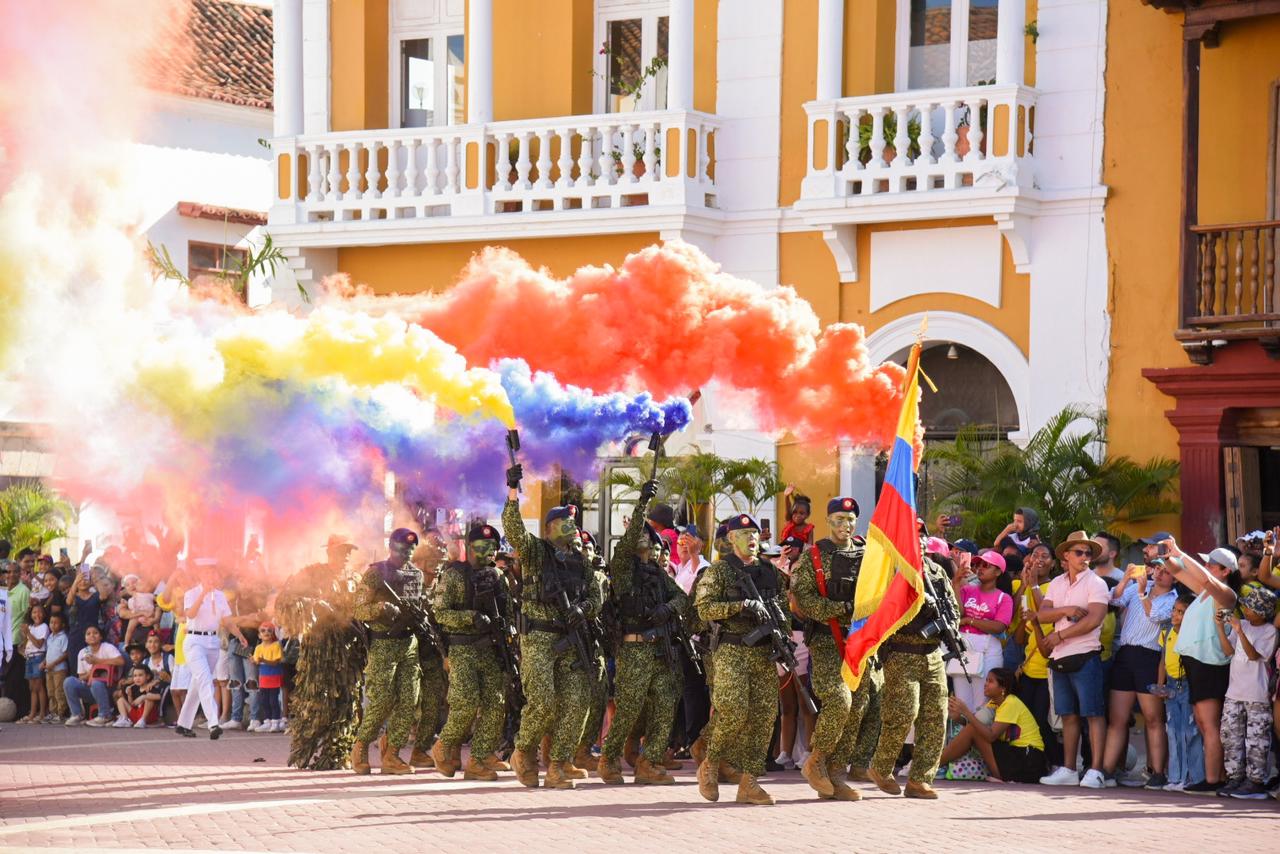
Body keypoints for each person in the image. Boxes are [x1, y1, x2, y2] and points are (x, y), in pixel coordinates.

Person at [502, 462, 602, 790]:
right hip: (540, 638)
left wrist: (583, 609)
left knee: (577, 701)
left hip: (571, 638)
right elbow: (514, 529)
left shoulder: (580, 561)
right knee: (543, 701)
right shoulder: (535, 551)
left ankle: (559, 764)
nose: (572, 526)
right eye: (565, 522)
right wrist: (513, 492)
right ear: (550, 528)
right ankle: (523, 751)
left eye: (574, 522)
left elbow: (596, 596)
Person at [595, 481, 687, 785]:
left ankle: (650, 761)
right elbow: (628, 541)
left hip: (660, 649)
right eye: (642, 536)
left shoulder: (658, 575)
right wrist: (642, 505)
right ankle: (609, 757)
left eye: (650, 537)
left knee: (665, 702)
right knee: (629, 708)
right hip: (634, 649)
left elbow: (681, 598)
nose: (646, 540)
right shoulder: (624, 569)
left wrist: (667, 609)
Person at [695, 513, 788, 805]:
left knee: (764, 716)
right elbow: (704, 609)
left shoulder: (770, 572)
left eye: (755, 534)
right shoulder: (720, 571)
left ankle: (750, 782)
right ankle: (710, 762)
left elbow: (783, 609)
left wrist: (783, 640)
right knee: (733, 711)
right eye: (745, 534)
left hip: (763, 651)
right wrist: (740, 606)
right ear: (731, 538)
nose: (752, 539)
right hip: (732, 649)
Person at [789, 496, 871, 801]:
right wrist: (841, 608)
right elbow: (802, 598)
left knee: (858, 706)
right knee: (839, 700)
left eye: (850, 519)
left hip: (860, 642)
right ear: (828, 521)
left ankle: (836, 776)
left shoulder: (868, 555)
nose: (845, 525)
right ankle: (817, 759)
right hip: (826, 640)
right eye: (839, 519)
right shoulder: (813, 556)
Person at [867, 546, 957, 799]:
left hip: (932, 653)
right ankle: (881, 767)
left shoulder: (937, 571)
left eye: (922, 536)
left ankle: (920, 780)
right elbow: (881, 609)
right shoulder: (891, 570)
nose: (920, 542)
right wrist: (915, 601)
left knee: (936, 717)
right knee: (903, 713)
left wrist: (949, 622)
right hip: (901, 651)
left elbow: (952, 604)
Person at [275, 535, 367, 770]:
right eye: (341, 551)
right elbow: (284, 601)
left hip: (348, 650)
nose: (346, 555)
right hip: (319, 648)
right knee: (317, 702)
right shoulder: (312, 574)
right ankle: (304, 749)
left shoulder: (356, 578)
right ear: (329, 552)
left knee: (347, 703)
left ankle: (336, 754)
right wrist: (314, 605)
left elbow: (365, 609)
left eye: (349, 551)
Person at [431, 523, 514, 781]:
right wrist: (470, 617)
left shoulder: (498, 576)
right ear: (469, 547)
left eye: (493, 547)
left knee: (495, 704)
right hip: (463, 648)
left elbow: (508, 611)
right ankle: (444, 745)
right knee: (465, 703)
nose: (489, 551)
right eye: (482, 546)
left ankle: (479, 758)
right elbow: (440, 613)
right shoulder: (454, 575)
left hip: (491, 649)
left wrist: (509, 631)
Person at [1036, 531, 1110, 789]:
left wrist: (1060, 634)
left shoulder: (1096, 583)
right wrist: (1066, 611)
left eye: (1088, 553)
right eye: (1079, 552)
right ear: (1066, 555)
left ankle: (1096, 771)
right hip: (1061, 656)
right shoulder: (1057, 582)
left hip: (1086, 654)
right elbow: (1042, 614)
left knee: (1093, 714)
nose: (1085, 557)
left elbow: (1094, 619)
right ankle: (1069, 769)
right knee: (1068, 715)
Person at [1166, 541, 1239, 794]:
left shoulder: (1226, 594)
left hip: (1210, 664)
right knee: (1202, 721)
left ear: (1226, 571)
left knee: (1209, 725)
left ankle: (1213, 780)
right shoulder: (1204, 593)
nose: (1206, 566)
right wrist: (1166, 557)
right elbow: (1177, 571)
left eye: (1211, 564)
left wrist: (1180, 552)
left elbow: (1206, 579)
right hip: (1196, 662)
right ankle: (1217, 776)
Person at [350, 528, 425, 775]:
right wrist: (381, 608)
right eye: (402, 548)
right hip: (384, 644)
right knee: (382, 700)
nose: (407, 553)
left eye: (411, 549)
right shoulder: (376, 573)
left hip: (409, 644)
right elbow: (358, 609)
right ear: (391, 547)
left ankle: (392, 754)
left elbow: (419, 604)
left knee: (409, 700)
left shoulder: (416, 574)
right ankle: (361, 747)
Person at [1101, 551, 1178, 788]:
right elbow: (1113, 600)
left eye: (1166, 571)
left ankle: (1158, 772)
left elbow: (1155, 616)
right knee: (1117, 718)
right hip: (1126, 654)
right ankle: (1106, 771)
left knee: (1153, 718)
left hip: (1150, 657)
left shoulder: (1173, 599)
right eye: (1158, 568)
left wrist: (1143, 593)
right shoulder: (1137, 587)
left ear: (1175, 577)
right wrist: (1125, 579)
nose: (1160, 573)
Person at [1218, 588, 1278, 799]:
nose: (1244, 609)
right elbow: (1228, 651)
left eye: (1250, 607)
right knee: (1230, 736)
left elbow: (1253, 656)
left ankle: (1255, 782)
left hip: (1257, 695)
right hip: (1234, 692)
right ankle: (1235, 777)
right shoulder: (1241, 624)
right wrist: (1220, 627)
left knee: (1256, 740)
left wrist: (1240, 631)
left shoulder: (1270, 632)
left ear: (1262, 612)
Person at [942, 668, 1045, 783]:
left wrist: (966, 712)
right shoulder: (993, 703)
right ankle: (937, 764)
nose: (985, 684)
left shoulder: (1011, 702)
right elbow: (977, 726)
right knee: (974, 730)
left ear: (1003, 688)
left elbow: (991, 735)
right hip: (1015, 754)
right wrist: (958, 718)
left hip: (1029, 759)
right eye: (986, 680)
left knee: (975, 730)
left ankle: (935, 764)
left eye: (990, 681)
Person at [174, 559, 234, 739]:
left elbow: (227, 620)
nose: (210, 576)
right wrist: (203, 594)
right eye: (207, 572)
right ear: (200, 575)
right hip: (194, 640)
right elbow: (190, 614)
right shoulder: (191, 593)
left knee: (197, 684)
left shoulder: (220, 595)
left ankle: (183, 724)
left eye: (213, 572)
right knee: (206, 680)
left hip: (213, 640)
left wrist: (239, 635)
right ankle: (213, 723)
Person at [951, 549, 1013, 713]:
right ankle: (965, 729)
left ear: (998, 572)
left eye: (986, 565)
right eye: (978, 564)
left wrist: (969, 621)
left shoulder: (1003, 598)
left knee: (983, 702)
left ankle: (980, 729)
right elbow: (958, 614)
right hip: (964, 648)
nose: (980, 568)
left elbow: (999, 626)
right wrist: (956, 583)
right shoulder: (967, 590)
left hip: (988, 651)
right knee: (962, 701)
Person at [1157, 594, 1201, 790]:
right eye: (1174, 610)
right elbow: (1162, 660)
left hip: (1188, 684)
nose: (1175, 614)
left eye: (1180, 612)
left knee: (1189, 731)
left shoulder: (1193, 633)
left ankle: (1191, 777)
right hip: (1171, 685)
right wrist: (1161, 685)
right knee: (1173, 731)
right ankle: (1175, 777)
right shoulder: (1166, 631)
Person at [63, 625, 124, 726]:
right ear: (85, 639)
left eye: (95, 633)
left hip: (109, 688)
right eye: (88, 634)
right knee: (69, 682)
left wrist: (97, 662)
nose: (92, 635)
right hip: (90, 689)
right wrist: (92, 672)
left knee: (96, 683)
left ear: (100, 637)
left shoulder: (107, 647)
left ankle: (105, 715)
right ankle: (77, 715)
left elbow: (121, 661)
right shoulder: (83, 652)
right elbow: (81, 677)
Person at [5, 559, 32, 718]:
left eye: (15, 571)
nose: (11, 575)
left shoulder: (23, 591)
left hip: (16, 640)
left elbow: (27, 616)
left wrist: (24, 640)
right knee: (7, 679)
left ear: (20, 573)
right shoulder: (3, 591)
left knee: (16, 679)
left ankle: (19, 712)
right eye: (8, 572)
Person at [18, 601, 50, 724]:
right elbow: (26, 644)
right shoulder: (30, 627)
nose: (37, 614)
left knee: (39, 686)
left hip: (38, 657)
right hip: (29, 658)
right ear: (31, 615)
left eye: (40, 612)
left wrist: (28, 633)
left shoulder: (44, 627)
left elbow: (39, 644)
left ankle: (42, 713)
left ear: (44, 614)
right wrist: (22, 647)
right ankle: (32, 713)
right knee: (32, 688)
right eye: (34, 612)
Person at [251, 622, 285, 732]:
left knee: (273, 700)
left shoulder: (276, 645)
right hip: (263, 677)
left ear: (273, 633)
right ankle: (267, 721)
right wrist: (253, 661)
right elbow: (256, 661)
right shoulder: (258, 648)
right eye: (263, 630)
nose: (266, 632)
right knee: (264, 701)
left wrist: (262, 660)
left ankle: (276, 721)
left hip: (274, 676)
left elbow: (275, 662)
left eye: (269, 630)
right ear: (259, 635)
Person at [43, 613, 70, 721]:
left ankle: (61, 713)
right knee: (51, 692)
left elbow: (66, 654)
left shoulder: (63, 637)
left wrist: (54, 663)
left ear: (62, 625)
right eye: (51, 622)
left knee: (59, 691)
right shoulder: (50, 637)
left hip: (59, 670)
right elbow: (49, 652)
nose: (53, 625)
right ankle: (53, 712)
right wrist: (44, 662)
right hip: (49, 669)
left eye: (56, 623)